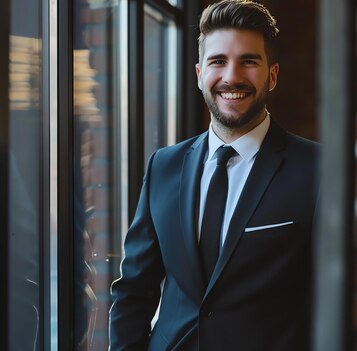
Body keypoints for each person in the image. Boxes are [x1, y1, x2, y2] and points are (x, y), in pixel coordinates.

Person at [109, 0, 319, 350]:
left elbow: (331, 297)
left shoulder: (316, 169)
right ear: (199, 74)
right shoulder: (164, 166)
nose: (231, 76)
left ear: (272, 74)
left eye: (248, 61)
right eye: (218, 61)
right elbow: (134, 288)